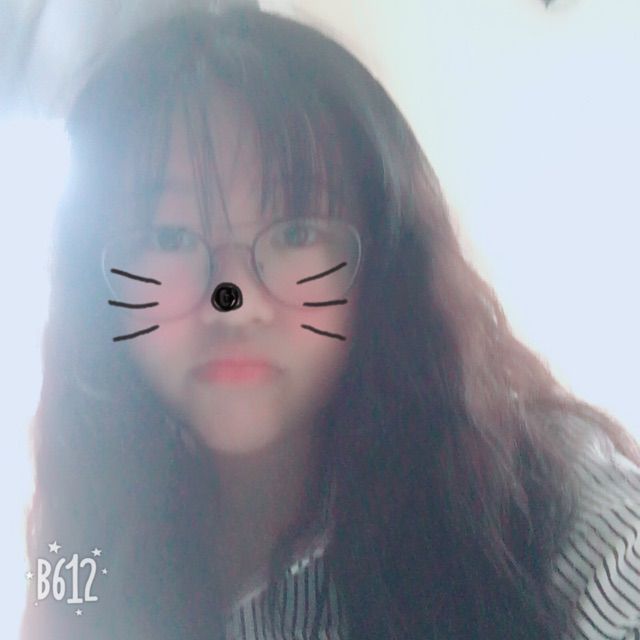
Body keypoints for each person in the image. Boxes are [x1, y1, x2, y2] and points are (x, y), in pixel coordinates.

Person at [20, 5, 640, 640]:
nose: (234, 302)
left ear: (386, 260)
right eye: (168, 237)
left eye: (296, 232)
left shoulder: (538, 501)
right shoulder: (87, 520)